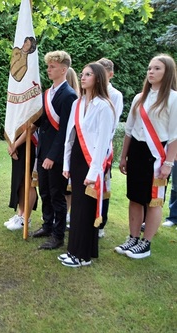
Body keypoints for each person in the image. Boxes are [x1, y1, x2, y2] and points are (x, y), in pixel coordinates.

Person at [116, 54, 177, 259]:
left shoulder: (173, 98)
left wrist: (168, 163)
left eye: (157, 68)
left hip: (157, 155)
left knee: (153, 201)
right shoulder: (139, 98)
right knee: (134, 197)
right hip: (137, 152)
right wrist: (123, 157)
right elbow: (129, 131)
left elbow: (175, 136)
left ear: (167, 72)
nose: (151, 71)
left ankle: (146, 243)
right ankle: (132, 238)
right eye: (150, 68)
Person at [59, 63, 116, 267]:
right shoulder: (78, 103)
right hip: (76, 158)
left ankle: (82, 255)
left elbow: (102, 142)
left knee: (85, 207)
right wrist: (66, 163)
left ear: (99, 78)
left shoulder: (104, 106)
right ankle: (74, 250)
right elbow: (70, 136)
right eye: (82, 74)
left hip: (92, 162)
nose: (83, 78)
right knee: (77, 207)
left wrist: (94, 171)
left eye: (88, 74)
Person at [32, 50, 77, 250]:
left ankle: (58, 235)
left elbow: (66, 132)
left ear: (64, 69)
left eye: (52, 66)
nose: (48, 69)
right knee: (45, 193)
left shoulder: (69, 96)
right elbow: (43, 122)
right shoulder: (47, 93)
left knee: (57, 195)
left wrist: (52, 156)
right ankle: (47, 225)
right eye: (48, 66)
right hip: (43, 152)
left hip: (56, 157)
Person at [96, 57, 124, 238]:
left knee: (103, 185)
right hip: (86, 146)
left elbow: (112, 123)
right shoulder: (89, 91)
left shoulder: (115, 95)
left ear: (110, 75)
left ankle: (101, 222)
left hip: (103, 147)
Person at [4, 129, 39, 230]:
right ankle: (20, 214)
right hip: (18, 141)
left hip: (30, 142)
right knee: (21, 181)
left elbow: (31, 127)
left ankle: (26, 218)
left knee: (29, 181)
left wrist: (14, 145)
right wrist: (12, 144)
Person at [64, 67, 80, 227]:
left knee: (69, 186)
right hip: (67, 145)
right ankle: (65, 212)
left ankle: (68, 212)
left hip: (72, 145)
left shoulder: (74, 98)